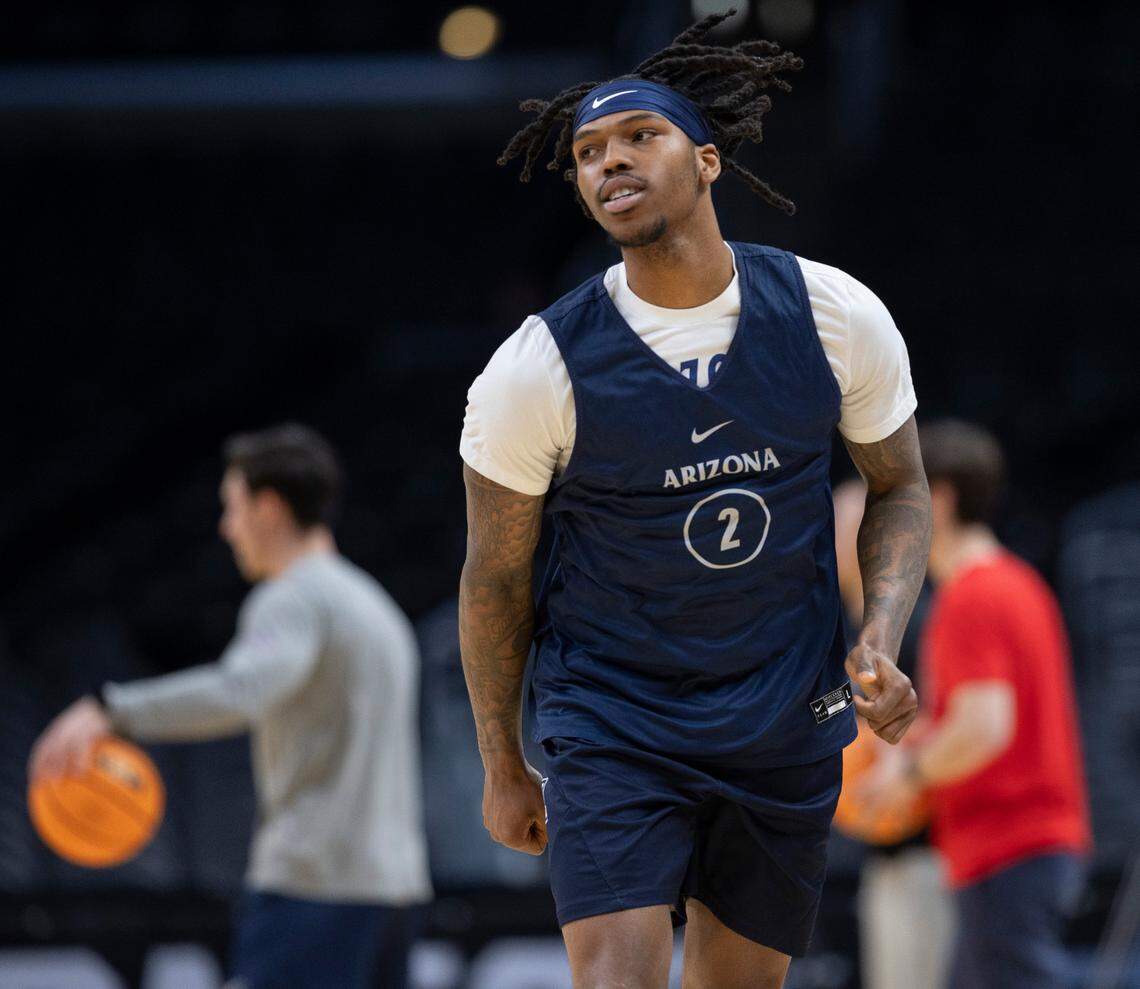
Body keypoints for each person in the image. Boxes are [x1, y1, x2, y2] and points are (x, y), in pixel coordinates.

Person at [457, 13, 932, 989]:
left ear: (709, 161)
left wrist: (880, 632)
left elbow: (899, 484)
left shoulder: (834, 313)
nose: (609, 162)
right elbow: (494, 576)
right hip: (615, 726)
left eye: (640, 137)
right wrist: (503, 761)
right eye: (589, 152)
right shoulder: (536, 367)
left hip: (782, 720)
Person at [29, 424, 432, 989]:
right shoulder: (375, 606)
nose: (226, 528)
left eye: (233, 507)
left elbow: (240, 690)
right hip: (396, 893)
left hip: (314, 888)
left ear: (268, 509)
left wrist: (109, 708)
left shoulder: (291, 598)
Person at [862, 419, 1091, 989]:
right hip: (1021, 845)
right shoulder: (1015, 581)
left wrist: (907, 774)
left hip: (1008, 844)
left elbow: (985, 727)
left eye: (894, 496)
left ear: (937, 500)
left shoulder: (972, 595)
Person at [833, 478, 953, 989]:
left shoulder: (921, 616)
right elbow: (835, 701)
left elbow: (938, 710)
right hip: (888, 854)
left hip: (932, 852)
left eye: (836, 531)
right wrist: (813, 712)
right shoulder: (840, 624)